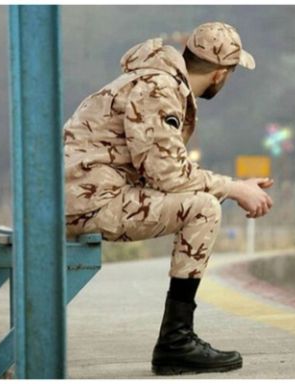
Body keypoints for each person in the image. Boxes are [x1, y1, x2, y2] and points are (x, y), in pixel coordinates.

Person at [63, 22, 273, 375]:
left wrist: (235, 186)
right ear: (221, 74)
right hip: (90, 202)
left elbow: (162, 173)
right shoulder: (158, 89)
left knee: (201, 199)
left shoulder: (153, 80)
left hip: (83, 197)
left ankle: (177, 339)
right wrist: (235, 189)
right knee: (203, 209)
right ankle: (176, 341)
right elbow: (170, 175)